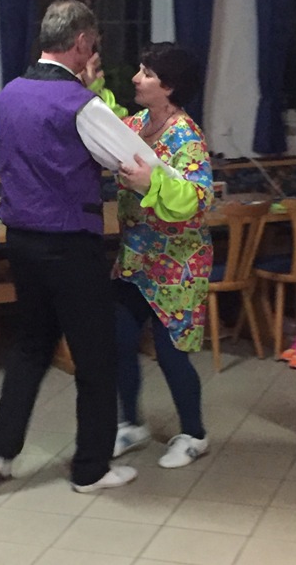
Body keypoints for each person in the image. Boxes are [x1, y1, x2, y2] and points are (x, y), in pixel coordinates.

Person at [0, 0, 137, 493]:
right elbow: (130, 159)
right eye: (94, 45)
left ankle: (2, 447)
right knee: (95, 358)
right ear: (82, 43)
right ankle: (91, 469)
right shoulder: (80, 104)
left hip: (20, 239)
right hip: (70, 243)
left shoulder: (7, 95)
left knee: (32, 343)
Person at [108, 42, 214, 468]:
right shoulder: (136, 124)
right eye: (140, 69)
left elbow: (197, 198)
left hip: (178, 265)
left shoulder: (187, 136)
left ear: (168, 87)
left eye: (147, 73)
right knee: (119, 342)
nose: (136, 78)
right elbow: (105, 124)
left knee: (171, 355)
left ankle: (194, 434)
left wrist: (150, 183)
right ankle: (131, 423)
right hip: (135, 257)